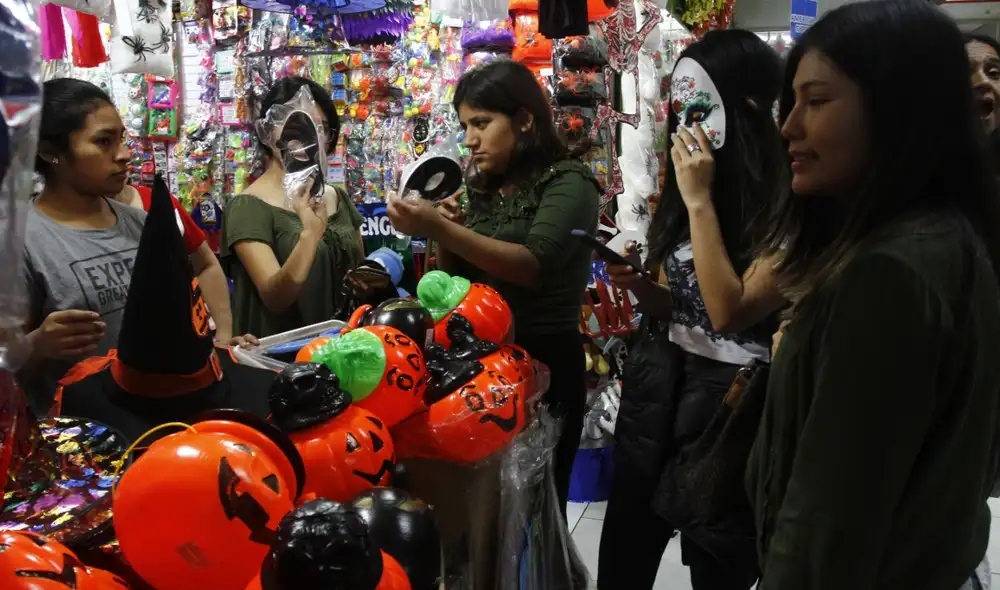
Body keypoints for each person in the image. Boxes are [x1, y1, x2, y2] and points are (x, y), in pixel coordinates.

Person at [748, 2, 1000, 589]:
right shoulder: (946, 235)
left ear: (897, 112)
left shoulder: (890, 272)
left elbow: (827, 525)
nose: (788, 126)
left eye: (817, 101)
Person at [597, 30, 784, 590]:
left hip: (733, 402)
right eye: (678, 103)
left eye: (696, 102)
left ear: (747, 105)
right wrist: (637, 287)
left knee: (716, 562)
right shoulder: (685, 187)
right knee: (626, 549)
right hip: (663, 382)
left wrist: (699, 199)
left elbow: (730, 311)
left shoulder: (788, 200)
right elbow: (681, 307)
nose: (684, 118)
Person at [387, 60, 600, 517]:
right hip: (477, 365)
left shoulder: (568, 181)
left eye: (482, 123)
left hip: (544, 361)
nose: (469, 139)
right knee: (482, 511)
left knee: (540, 513)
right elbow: (454, 287)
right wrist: (440, 231)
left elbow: (534, 265)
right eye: (465, 125)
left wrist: (444, 231)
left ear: (525, 119)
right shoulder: (480, 187)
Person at [17, 78, 235, 413]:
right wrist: (37, 345)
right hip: (82, 439)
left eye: (121, 138)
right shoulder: (22, 243)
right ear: (49, 152)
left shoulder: (139, 222)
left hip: (161, 420)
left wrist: (217, 347)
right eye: (103, 142)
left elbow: (188, 304)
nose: (124, 155)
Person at [221, 76, 365, 339]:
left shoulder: (337, 198)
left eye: (319, 128)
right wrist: (310, 235)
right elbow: (276, 297)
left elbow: (360, 274)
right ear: (268, 131)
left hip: (345, 353)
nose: (309, 138)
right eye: (296, 125)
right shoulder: (248, 207)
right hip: (282, 362)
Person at [113, 179, 249, 348]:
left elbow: (206, 264)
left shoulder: (159, 201)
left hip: (180, 353)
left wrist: (223, 338)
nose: (122, 155)